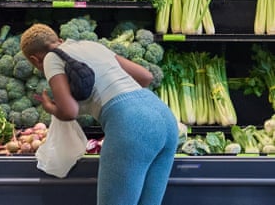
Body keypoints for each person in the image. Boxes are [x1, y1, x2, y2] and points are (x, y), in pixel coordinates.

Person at [20, 23, 179, 205]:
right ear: (59, 40)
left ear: (34, 60)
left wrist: (50, 107)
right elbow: (145, 77)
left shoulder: (49, 58)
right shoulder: (91, 45)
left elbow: (69, 111)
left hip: (132, 124)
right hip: (164, 116)